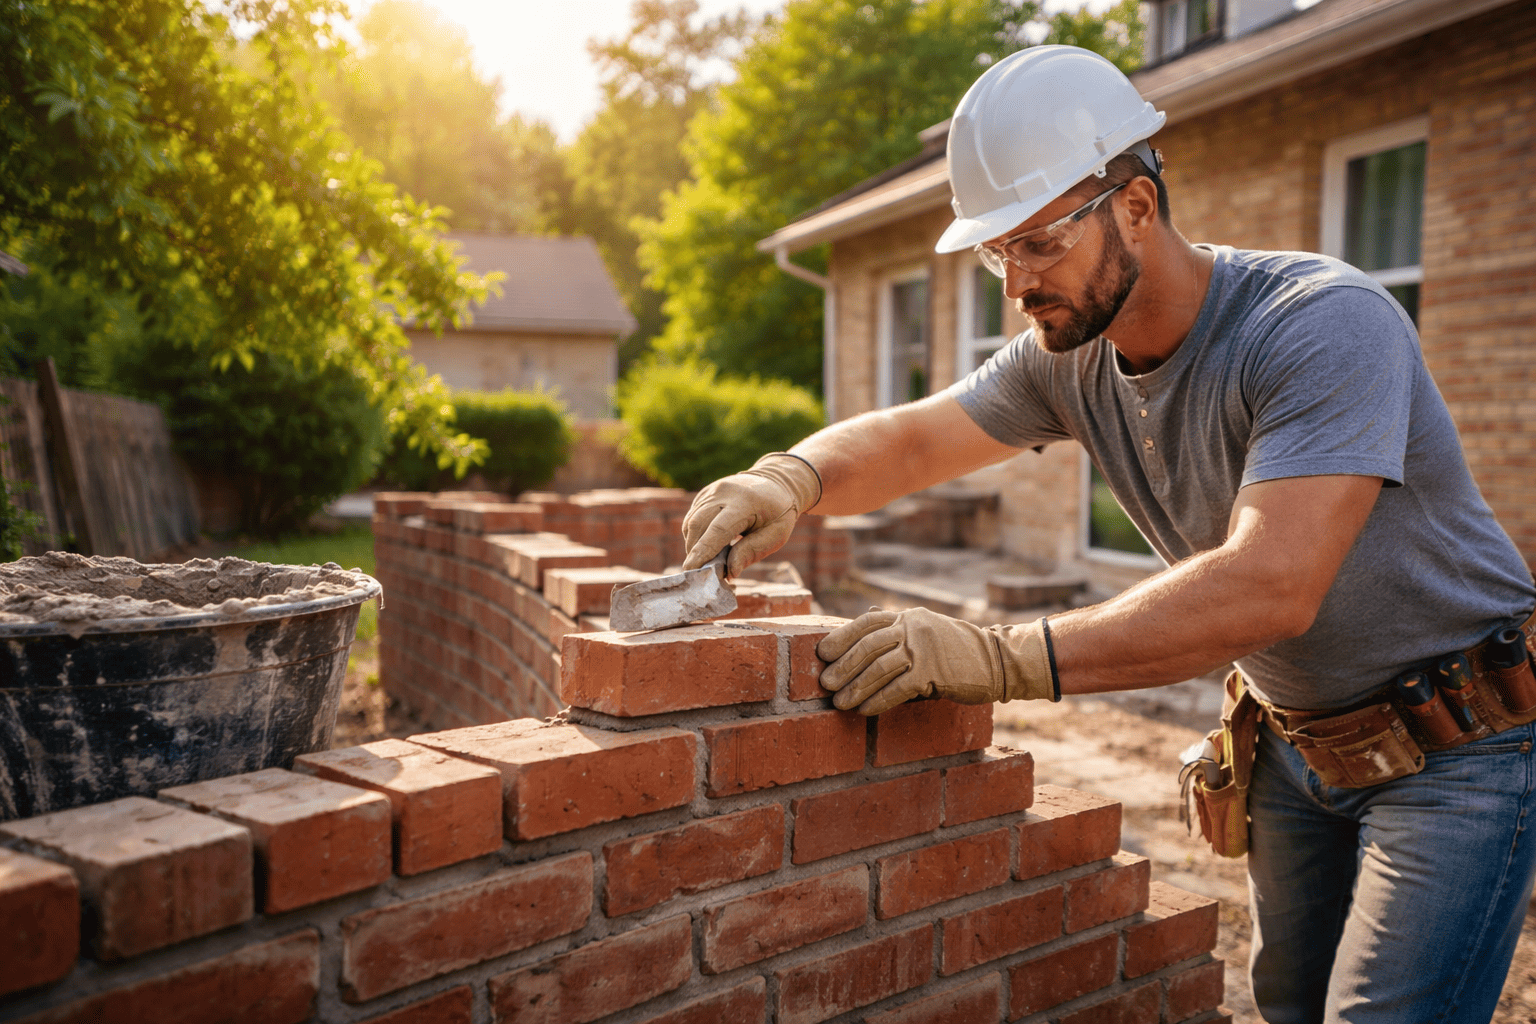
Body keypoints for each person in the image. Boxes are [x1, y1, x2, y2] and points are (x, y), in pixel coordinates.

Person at [678, 45, 1536, 1024]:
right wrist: (789, 476)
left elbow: (1269, 585)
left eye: (1038, 241)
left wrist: (999, 657)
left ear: (1136, 205)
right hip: (1297, 745)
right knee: (1290, 1005)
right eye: (999, 251)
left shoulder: (1320, 323)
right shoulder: (1071, 352)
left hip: (1460, 745)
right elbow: (918, 435)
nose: (1015, 283)